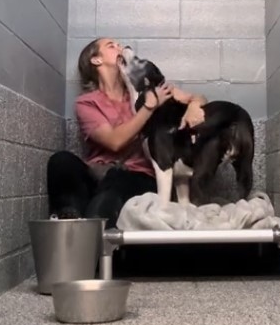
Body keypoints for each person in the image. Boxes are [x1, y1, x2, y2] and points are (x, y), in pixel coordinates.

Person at [46, 37, 207, 227]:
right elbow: (115, 141)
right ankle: (70, 222)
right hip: (101, 174)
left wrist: (195, 106)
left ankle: (93, 234)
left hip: (140, 177)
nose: (120, 48)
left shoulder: (148, 90)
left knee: (116, 182)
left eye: (119, 45)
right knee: (61, 161)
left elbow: (198, 98)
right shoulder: (87, 103)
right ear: (96, 60)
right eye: (111, 46)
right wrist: (149, 108)